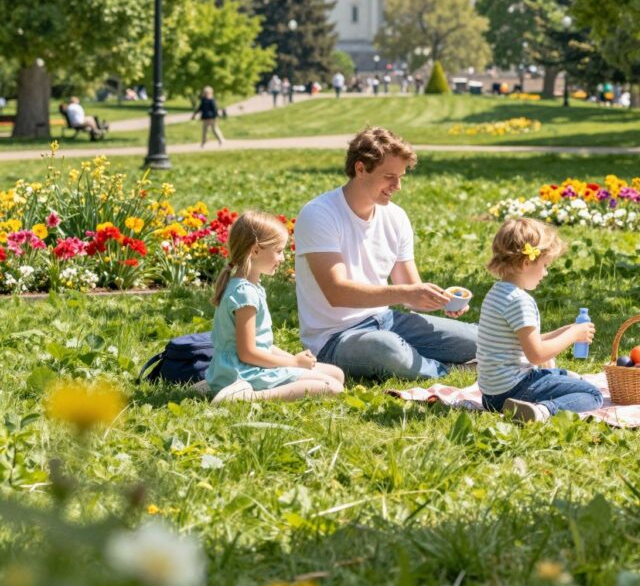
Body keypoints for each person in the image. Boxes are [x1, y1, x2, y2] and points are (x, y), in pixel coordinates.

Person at [293, 127, 477, 380]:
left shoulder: (395, 216)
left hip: (387, 320)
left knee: (479, 339)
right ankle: (452, 370)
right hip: (335, 338)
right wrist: (405, 293)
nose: (397, 186)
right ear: (360, 169)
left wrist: (439, 300)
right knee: (386, 348)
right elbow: (336, 292)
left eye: (400, 177)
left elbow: (410, 291)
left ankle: (427, 361)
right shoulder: (319, 214)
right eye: (389, 176)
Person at [207, 212, 345, 404]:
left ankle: (225, 388)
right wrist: (293, 363)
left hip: (242, 368)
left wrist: (295, 362)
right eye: (279, 251)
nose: (283, 258)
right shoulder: (244, 293)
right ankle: (246, 397)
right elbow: (248, 353)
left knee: (337, 374)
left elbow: (262, 346)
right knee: (333, 387)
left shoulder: (248, 287)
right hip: (244, 372)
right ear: (255, 251)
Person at [477, 218, 603, 422]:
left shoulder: (497, 293)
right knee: (593, 394)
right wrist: (572, 336)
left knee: (560, 376)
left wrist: (566, 330)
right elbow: (537, 355)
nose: (545, 273)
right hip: (514, 390)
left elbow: (526, 341)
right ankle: (542, 411)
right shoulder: (519, 300)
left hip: (491, 395)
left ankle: (556, 383)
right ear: (526, 263)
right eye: (544, 265)